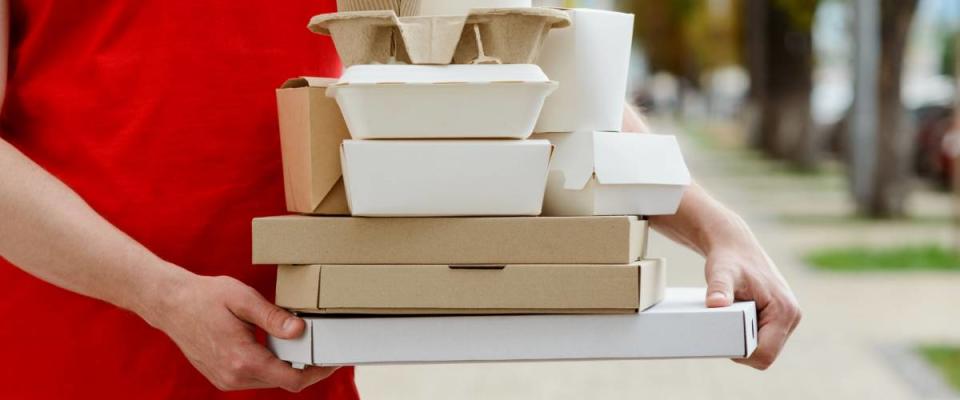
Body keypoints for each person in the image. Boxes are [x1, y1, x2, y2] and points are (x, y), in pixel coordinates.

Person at [0, 1, 801, 398]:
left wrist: (714, 225)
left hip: (297, 364)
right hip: (70, 361)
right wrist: (162, 296)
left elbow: (526, 63)